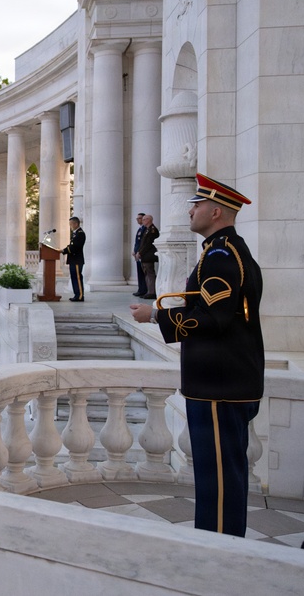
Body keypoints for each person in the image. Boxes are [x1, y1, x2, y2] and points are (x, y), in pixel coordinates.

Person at [130, 173, 263, 537]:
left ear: (216, 212)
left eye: (197, 204)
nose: (190, 210)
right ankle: (219, 540)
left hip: (219, 384)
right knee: (219, 474)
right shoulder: (226, 250)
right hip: (224, 380)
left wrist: (156, 315)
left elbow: (214, 318)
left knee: (219, 476)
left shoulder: (221, 255)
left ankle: (219, 546)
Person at [61, 216, 86, 302]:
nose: (70, 226)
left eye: (71, 224)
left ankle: (80, 296)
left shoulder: (80, 234)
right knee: (74, 277)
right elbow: (72, 245)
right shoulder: (76, 233)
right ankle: (76, 294)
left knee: (77, 278)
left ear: (76, 224)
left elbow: (75, 247)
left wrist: (63, 250)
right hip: (73, 259)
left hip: (77, 260)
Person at [137, 214, 160, 300]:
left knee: (150, 274)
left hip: (148, 255)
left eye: (144, 219)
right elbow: (142, 243)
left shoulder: (152, 230)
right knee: (146, 273)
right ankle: (149, 291)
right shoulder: (147, 230)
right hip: (145, 255)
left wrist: (140, 252)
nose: (142, 221)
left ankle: (152, 292)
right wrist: (139, 252)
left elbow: (148, 244)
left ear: (148, 220)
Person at [133, 213, 147, 297]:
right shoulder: (140, 229)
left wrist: (139, 252)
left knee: (143, 273)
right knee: (139, 273)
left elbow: (144, 243)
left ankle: (144, 290)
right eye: (137, 218)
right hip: (138, 254)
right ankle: (140, 289)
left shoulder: (145, 229)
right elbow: (137, 242)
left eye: (140, 218)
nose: (138, 220)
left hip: (142, 254)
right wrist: (134, 251)